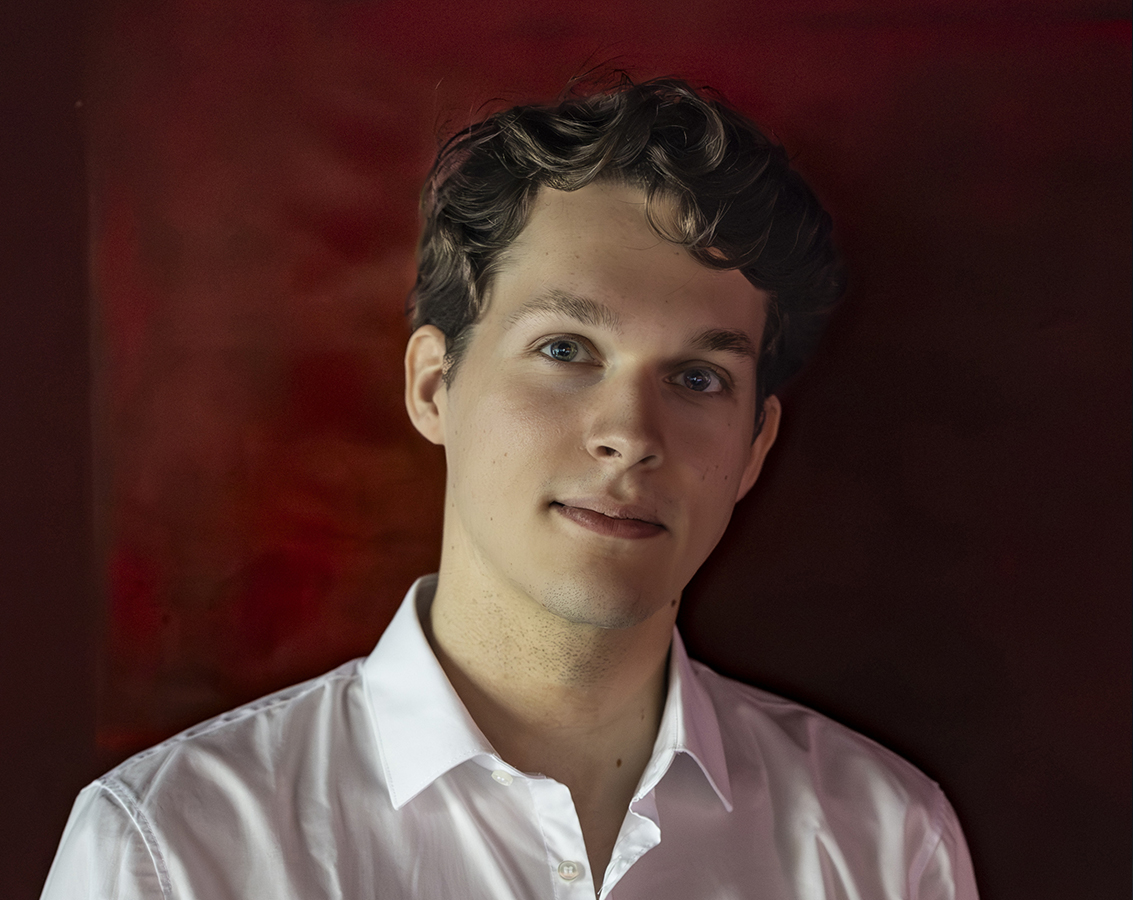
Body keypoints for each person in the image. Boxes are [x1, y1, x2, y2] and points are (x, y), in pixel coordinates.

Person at [41, 76, 979, 899]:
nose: (629, 435)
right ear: (433, 387)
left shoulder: (885, 845)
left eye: (698, 377)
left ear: (754, 445)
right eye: (566, 350)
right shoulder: (170, 852)